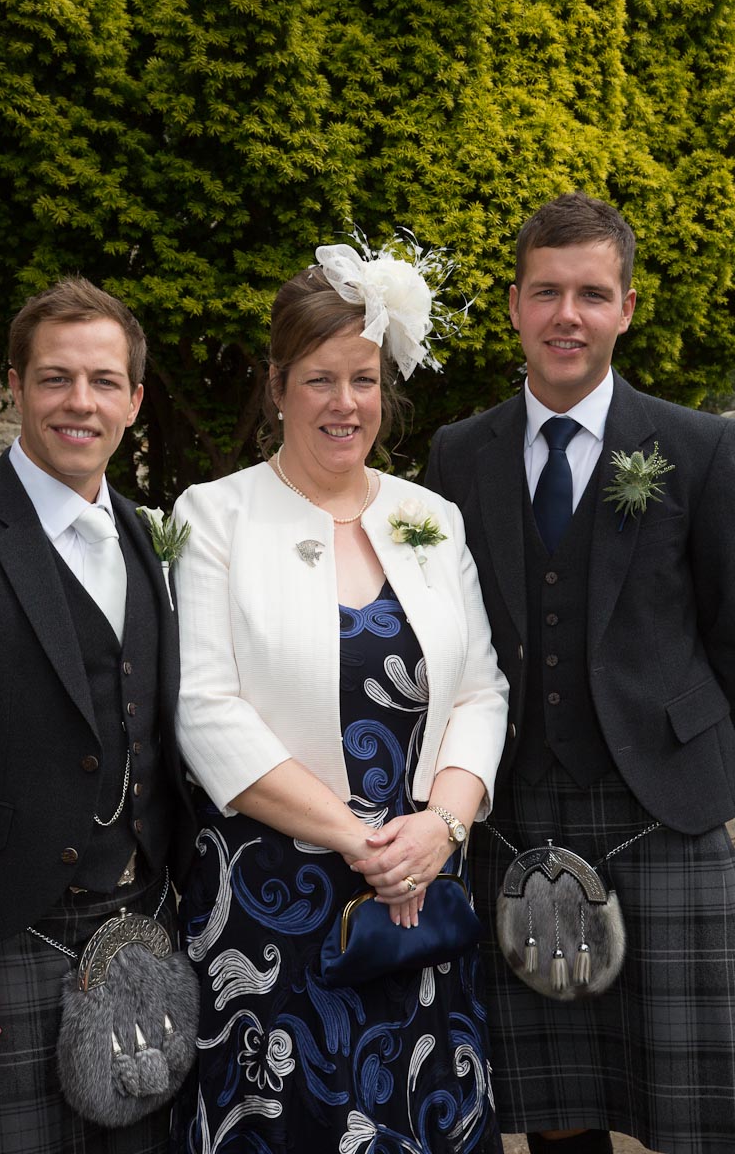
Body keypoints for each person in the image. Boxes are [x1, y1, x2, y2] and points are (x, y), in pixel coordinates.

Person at [169, 234, 510, 1153]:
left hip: (419, 901)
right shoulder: (216, 515)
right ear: (277, 386)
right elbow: (207, 710)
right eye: (319, 379)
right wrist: (361, 840)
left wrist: (440, 828)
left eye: (363, 379)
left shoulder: (430, 518)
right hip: (275, 909)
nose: (344, 403)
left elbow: (481, 692)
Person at [426, 191, 735, 1154]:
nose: (569, 315)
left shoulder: (701, 448)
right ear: (515, 305)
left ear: (626, 308)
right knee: (553, 1112)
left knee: (694, 1109)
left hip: (665, 808)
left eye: (592, 295)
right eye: (547, 292)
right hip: (516, 814)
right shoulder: (457, 455)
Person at [0, 277, 195, 1152]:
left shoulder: (146, 538)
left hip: (141, 926)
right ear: (16, 385)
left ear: (134, 400)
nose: (79, 402)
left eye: (103, 381)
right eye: (54, 378)